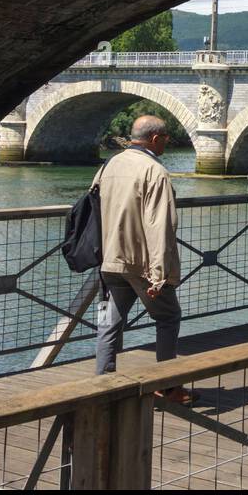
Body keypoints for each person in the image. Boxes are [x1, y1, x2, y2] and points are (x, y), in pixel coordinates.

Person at [93, 114, 195, 404]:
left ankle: (103, 384)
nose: (166, 143)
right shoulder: (155, 171)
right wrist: (159, 273)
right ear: (154, 139)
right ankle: (167, 386)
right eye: (165, 139)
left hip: (111, 258)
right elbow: (159, 225)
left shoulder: (109, 165)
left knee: (110, 322)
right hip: (141, 262)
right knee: (167, 316)